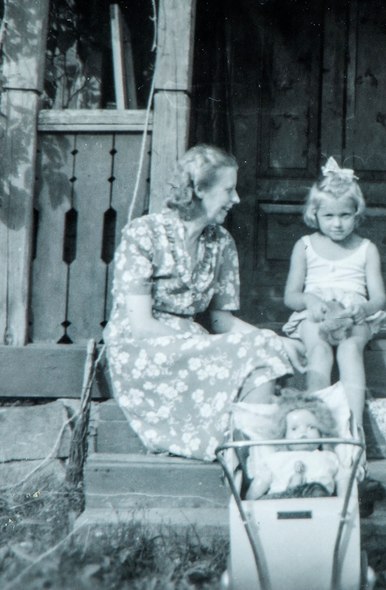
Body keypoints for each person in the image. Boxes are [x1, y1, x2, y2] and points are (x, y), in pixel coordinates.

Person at [103, 145, 301, 460]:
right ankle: (252, 457)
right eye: (228, 189)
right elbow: (140, 325)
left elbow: (222, 321)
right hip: (143, 351)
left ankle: (259, 460)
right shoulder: (144, 234)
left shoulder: (220, 242)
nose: (236, 199)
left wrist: (272, 338)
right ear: (198, 189)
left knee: (264, 351)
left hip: (193, 347)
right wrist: (217, 349)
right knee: (254, 351)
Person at [282, 157, 386, 430]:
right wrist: (309, 300)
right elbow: (291, 296)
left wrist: (363, 309)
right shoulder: (305, 246)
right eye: (329, 216)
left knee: (350, 349)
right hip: (315, 316)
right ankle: (315, 424)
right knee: (319, 349)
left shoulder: (366, 248)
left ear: (357, 213)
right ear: (314, 214)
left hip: (354, 318)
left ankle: (353, 428)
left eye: (345, 215)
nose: (337, 224)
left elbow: (379, 298)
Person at [246, 391, 350, 500]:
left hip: (316, 500)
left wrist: (345, 501)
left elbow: (343, 480)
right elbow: (259, 484)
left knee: (317, 490)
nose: (303, 432)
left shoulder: (329, 457)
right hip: (280, 500)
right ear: (284, 435)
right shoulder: (276, 459)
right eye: (294, 428)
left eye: (311, 427)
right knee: (267, 500)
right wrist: (250, 501)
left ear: (321, 432)